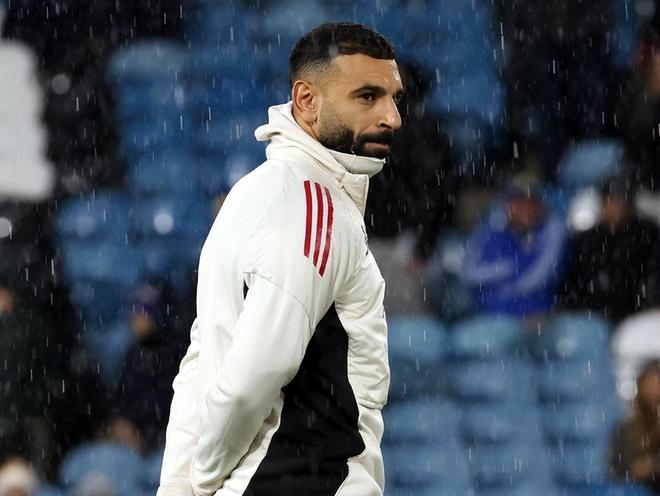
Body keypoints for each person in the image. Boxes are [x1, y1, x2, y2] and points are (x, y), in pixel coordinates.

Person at [157, 22, 403, 496]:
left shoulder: (254, 192)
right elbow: (254, 375)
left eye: (394, 98)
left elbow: (203, 361)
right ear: (307, 100)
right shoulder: (316, 210)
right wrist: (205, 480)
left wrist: (180, 485)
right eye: (367, 97)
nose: (391, 117)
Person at [460, 186, 569, 319]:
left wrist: (504, 285)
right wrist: (511, 269)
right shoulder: (494, 230)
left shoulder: (554, 229)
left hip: (536, 314)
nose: (523, 209)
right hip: (490, 312)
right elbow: (469, 275)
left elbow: (539, 279)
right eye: (517, 203)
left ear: (540, 205)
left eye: (529, 203)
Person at [610, 360, 660, 493]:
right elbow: (617, 470)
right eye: (651, 384)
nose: (655, 390)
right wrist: (640, 468)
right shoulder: (626, 430)